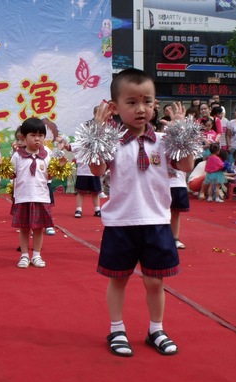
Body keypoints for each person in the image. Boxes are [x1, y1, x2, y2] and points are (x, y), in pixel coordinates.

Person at [89, 68, 194, 357]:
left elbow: (186, 165)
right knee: (119, 278)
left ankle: (155, 329)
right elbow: (96, 170)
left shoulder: (164, 140)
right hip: (121, 222)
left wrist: (181, 129)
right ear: (114, 107)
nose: (141, 109)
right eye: (131, 102)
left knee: (155, 281)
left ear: (155, 104)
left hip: (157, 222)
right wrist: (99, 131)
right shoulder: (110, 142)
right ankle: (116, 329)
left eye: (147, 101)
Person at [0, 117, 65, 269]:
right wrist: (1, 166)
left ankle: (36, 255)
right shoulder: (17, 155)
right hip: (23, 197)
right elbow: (11, 174)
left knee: (39, 228)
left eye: (40, 136)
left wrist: (59, 167)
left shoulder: (46, 153)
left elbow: (49, 176)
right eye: (33, 135)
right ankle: (24, 255)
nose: (37, 139)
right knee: (24, 228)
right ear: (24, 137)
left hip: (41, 197)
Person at [170, 169, 190, 249]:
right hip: (161, 183)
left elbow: (189, 166)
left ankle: (175, 238)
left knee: (176, 212)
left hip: (179, 183)